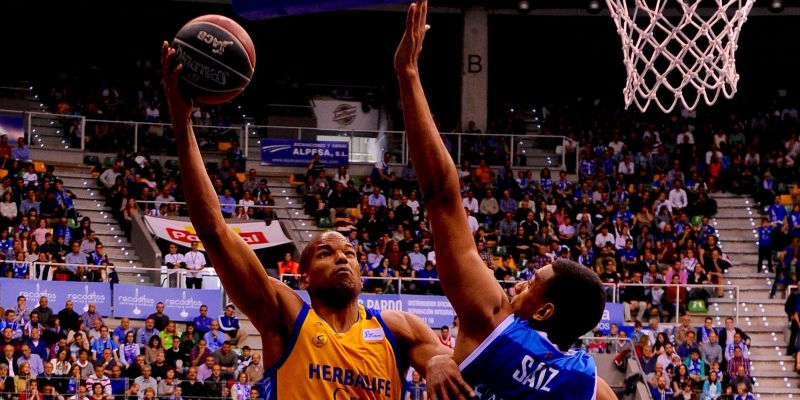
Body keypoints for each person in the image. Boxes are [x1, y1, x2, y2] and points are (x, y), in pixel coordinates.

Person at [162, 40, 469, 400]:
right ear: (303, 277)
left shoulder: (399, 328)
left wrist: (439, 361)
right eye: (326, 253)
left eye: (349, 253)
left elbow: (458, 367)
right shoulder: (284, 314)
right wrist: (182, 123)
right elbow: (213, 229)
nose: (342, 257)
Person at [393, 3, 614, 399]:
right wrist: (436, 358)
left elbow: (442, 195)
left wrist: (408, 74)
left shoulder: (493, 321)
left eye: (533, 282)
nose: (518, 283)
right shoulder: (590, 387)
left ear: (543, 311)